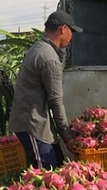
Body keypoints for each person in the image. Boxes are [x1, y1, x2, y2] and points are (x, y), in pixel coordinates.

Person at [8, 10, 82, 169]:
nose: (72, 37)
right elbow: (56, 101)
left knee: (58, 164)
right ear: (63, 29)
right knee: (46, 173)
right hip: (31, 124)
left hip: (37, 121)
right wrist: (67, 136)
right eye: (72, 31)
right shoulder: (49, 58)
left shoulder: (39, 48)